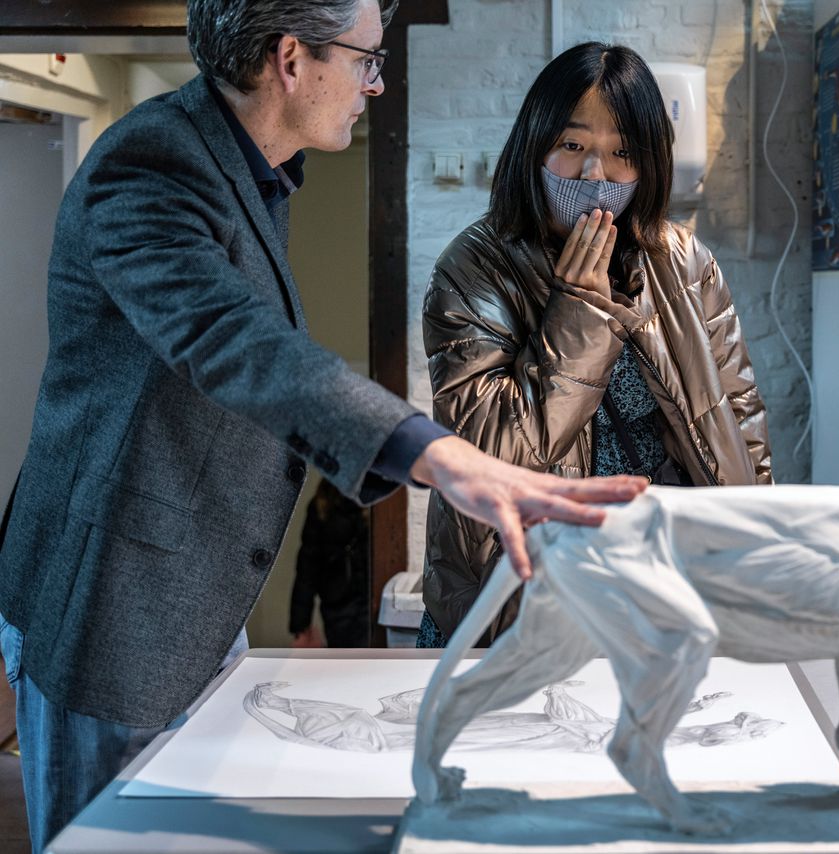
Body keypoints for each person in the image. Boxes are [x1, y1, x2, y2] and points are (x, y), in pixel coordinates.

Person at [0, 3, 643, 849]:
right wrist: (442, 455)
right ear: (291, 59)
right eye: (366, 60)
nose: (374, 83)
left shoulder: (249, 166)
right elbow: (233, 342)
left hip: (191, 589)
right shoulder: (152, 165)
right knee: (112, 840)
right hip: (116, 601)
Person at [418, 43, 772, 646]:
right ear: (535, 146)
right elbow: (492, 456)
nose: (595, 175)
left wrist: (754, 560)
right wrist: (578, 312)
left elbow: (741, 424)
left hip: (666, 595)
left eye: (622, 153)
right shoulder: (474, 268)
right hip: (527, 605)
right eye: (574, 145)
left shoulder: (684, 261)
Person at [289, 480, 369, 648]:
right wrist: (300, 626)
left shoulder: (323, 503)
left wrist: (300, 625)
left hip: (355, 601)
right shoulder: (322, 504)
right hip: (341, 603)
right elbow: (307, 568)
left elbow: (307, 568)